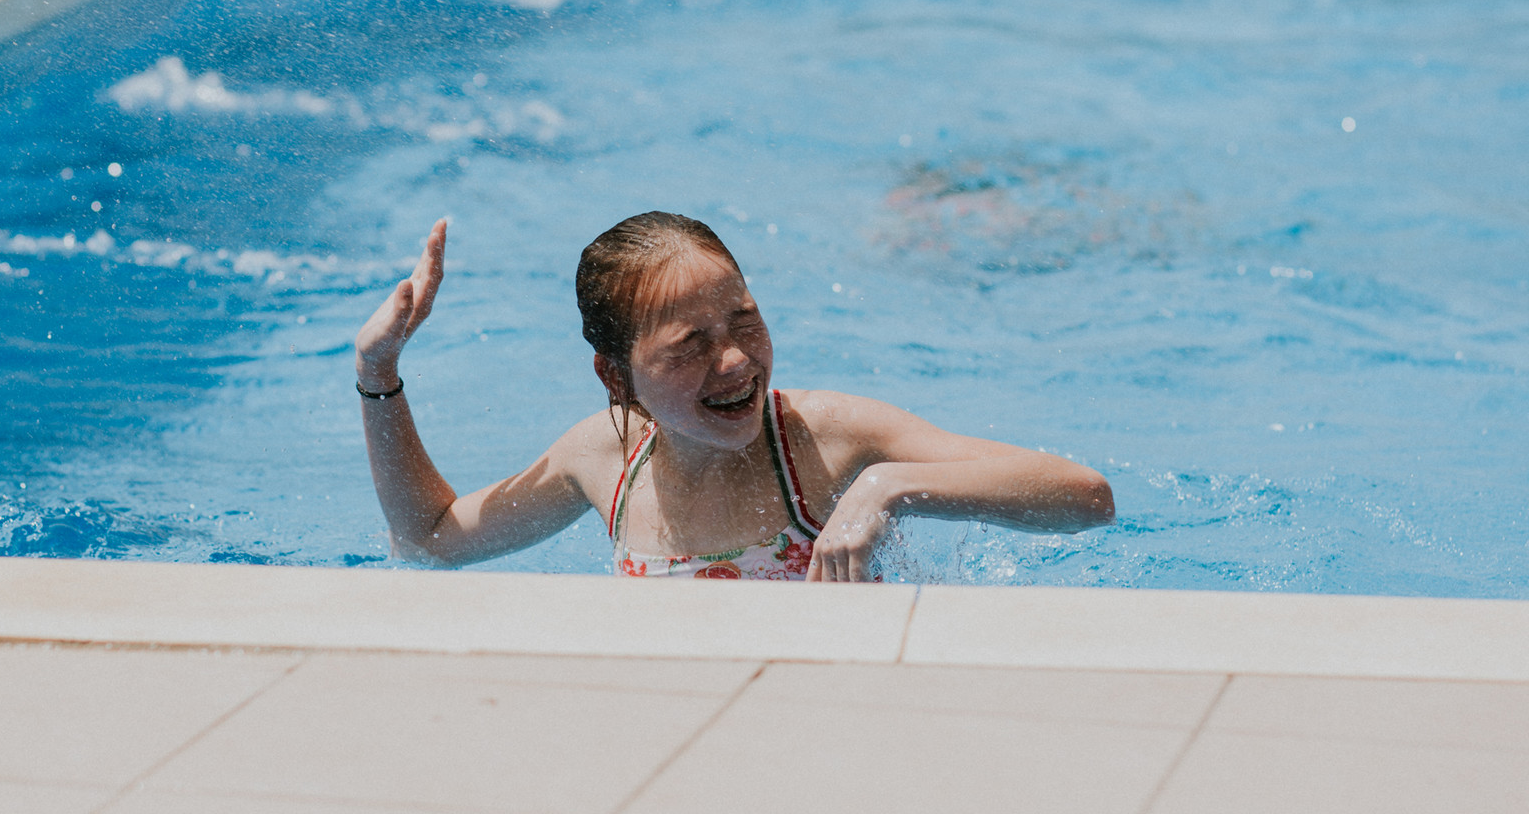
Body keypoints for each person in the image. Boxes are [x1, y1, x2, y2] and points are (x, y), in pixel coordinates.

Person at [355, 212, 1113, 582]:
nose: (736, 360)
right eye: (689, 345)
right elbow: (430, 542)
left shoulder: (827, 439)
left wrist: (892, 485)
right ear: (616, 378)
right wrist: (378, 372)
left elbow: (1086, 498)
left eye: (745, 319)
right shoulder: (603, 459)